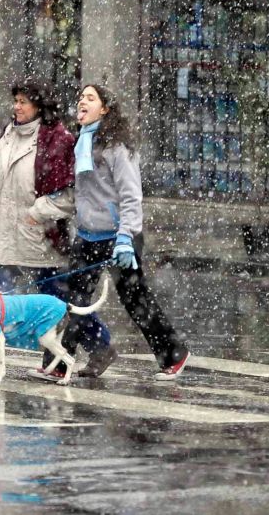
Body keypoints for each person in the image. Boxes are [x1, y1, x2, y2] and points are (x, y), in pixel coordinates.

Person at [0, 80, 113, 379]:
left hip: (40, 237)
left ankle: (100, 345)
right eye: (15, 100)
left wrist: (36, 213)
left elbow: (69, 194)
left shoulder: (58, 140)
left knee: (55, 301)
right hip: (2, 233)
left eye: (24, 101)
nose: (17, 107)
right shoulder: (6, 134)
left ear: (39, 106)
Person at [46, 84, 191, 381]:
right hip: (87, 236)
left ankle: (173, 354)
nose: (82, 102)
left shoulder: (116, 147)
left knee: (135, 299)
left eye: (90, 98)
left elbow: (130, 195)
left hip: (118, 237)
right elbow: (82, 194)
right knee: (72, 300)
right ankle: (59, 363)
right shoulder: (82, 142)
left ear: (105, 109)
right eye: (80, 98)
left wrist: (125, 238)